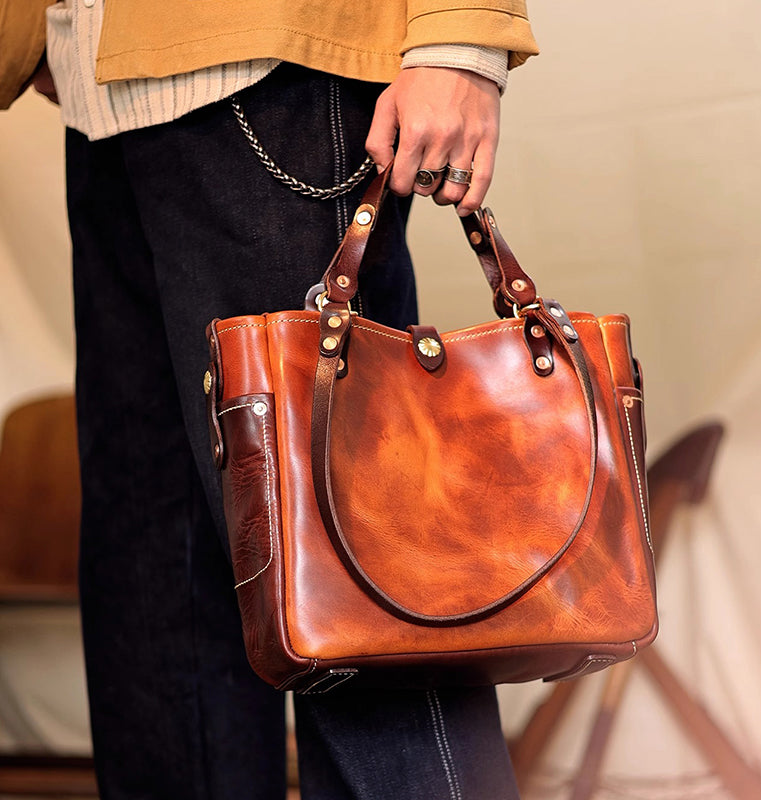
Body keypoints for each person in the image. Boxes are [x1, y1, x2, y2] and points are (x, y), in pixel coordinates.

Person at [1, 2, 539, 798]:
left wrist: (462, 32)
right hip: (101, 100)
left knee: (359, 591)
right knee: (157, 587)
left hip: (270, 69)